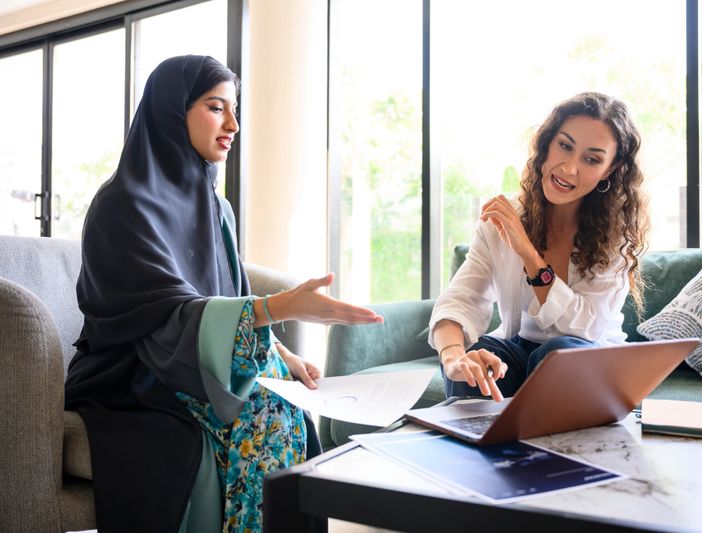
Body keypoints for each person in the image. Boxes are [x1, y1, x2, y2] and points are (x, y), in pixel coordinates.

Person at [65, 55, 382, 533]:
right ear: (174, 111)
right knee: (265, 417)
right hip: (135, 369)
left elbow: (226, 294)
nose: (233, 124)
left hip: (199, 359)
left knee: (289, 404)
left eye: (235, 110)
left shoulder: (217, 206)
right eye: (217, 108)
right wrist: (281, 306)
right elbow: (165, 311)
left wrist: (282, 352)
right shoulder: (122, 205)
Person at [429, 92, 648, 402]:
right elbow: (461, 300)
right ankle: (483, 446)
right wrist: (454, 358)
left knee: (558, 354)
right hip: (520, 349)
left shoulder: (618, 235)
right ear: (545, 144)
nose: (569, 168)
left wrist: (528, 254)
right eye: (565, 146)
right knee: (480, 356)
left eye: (592, 159)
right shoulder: (504, 218)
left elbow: (585, 328)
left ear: (609, 171)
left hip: (588, 357)